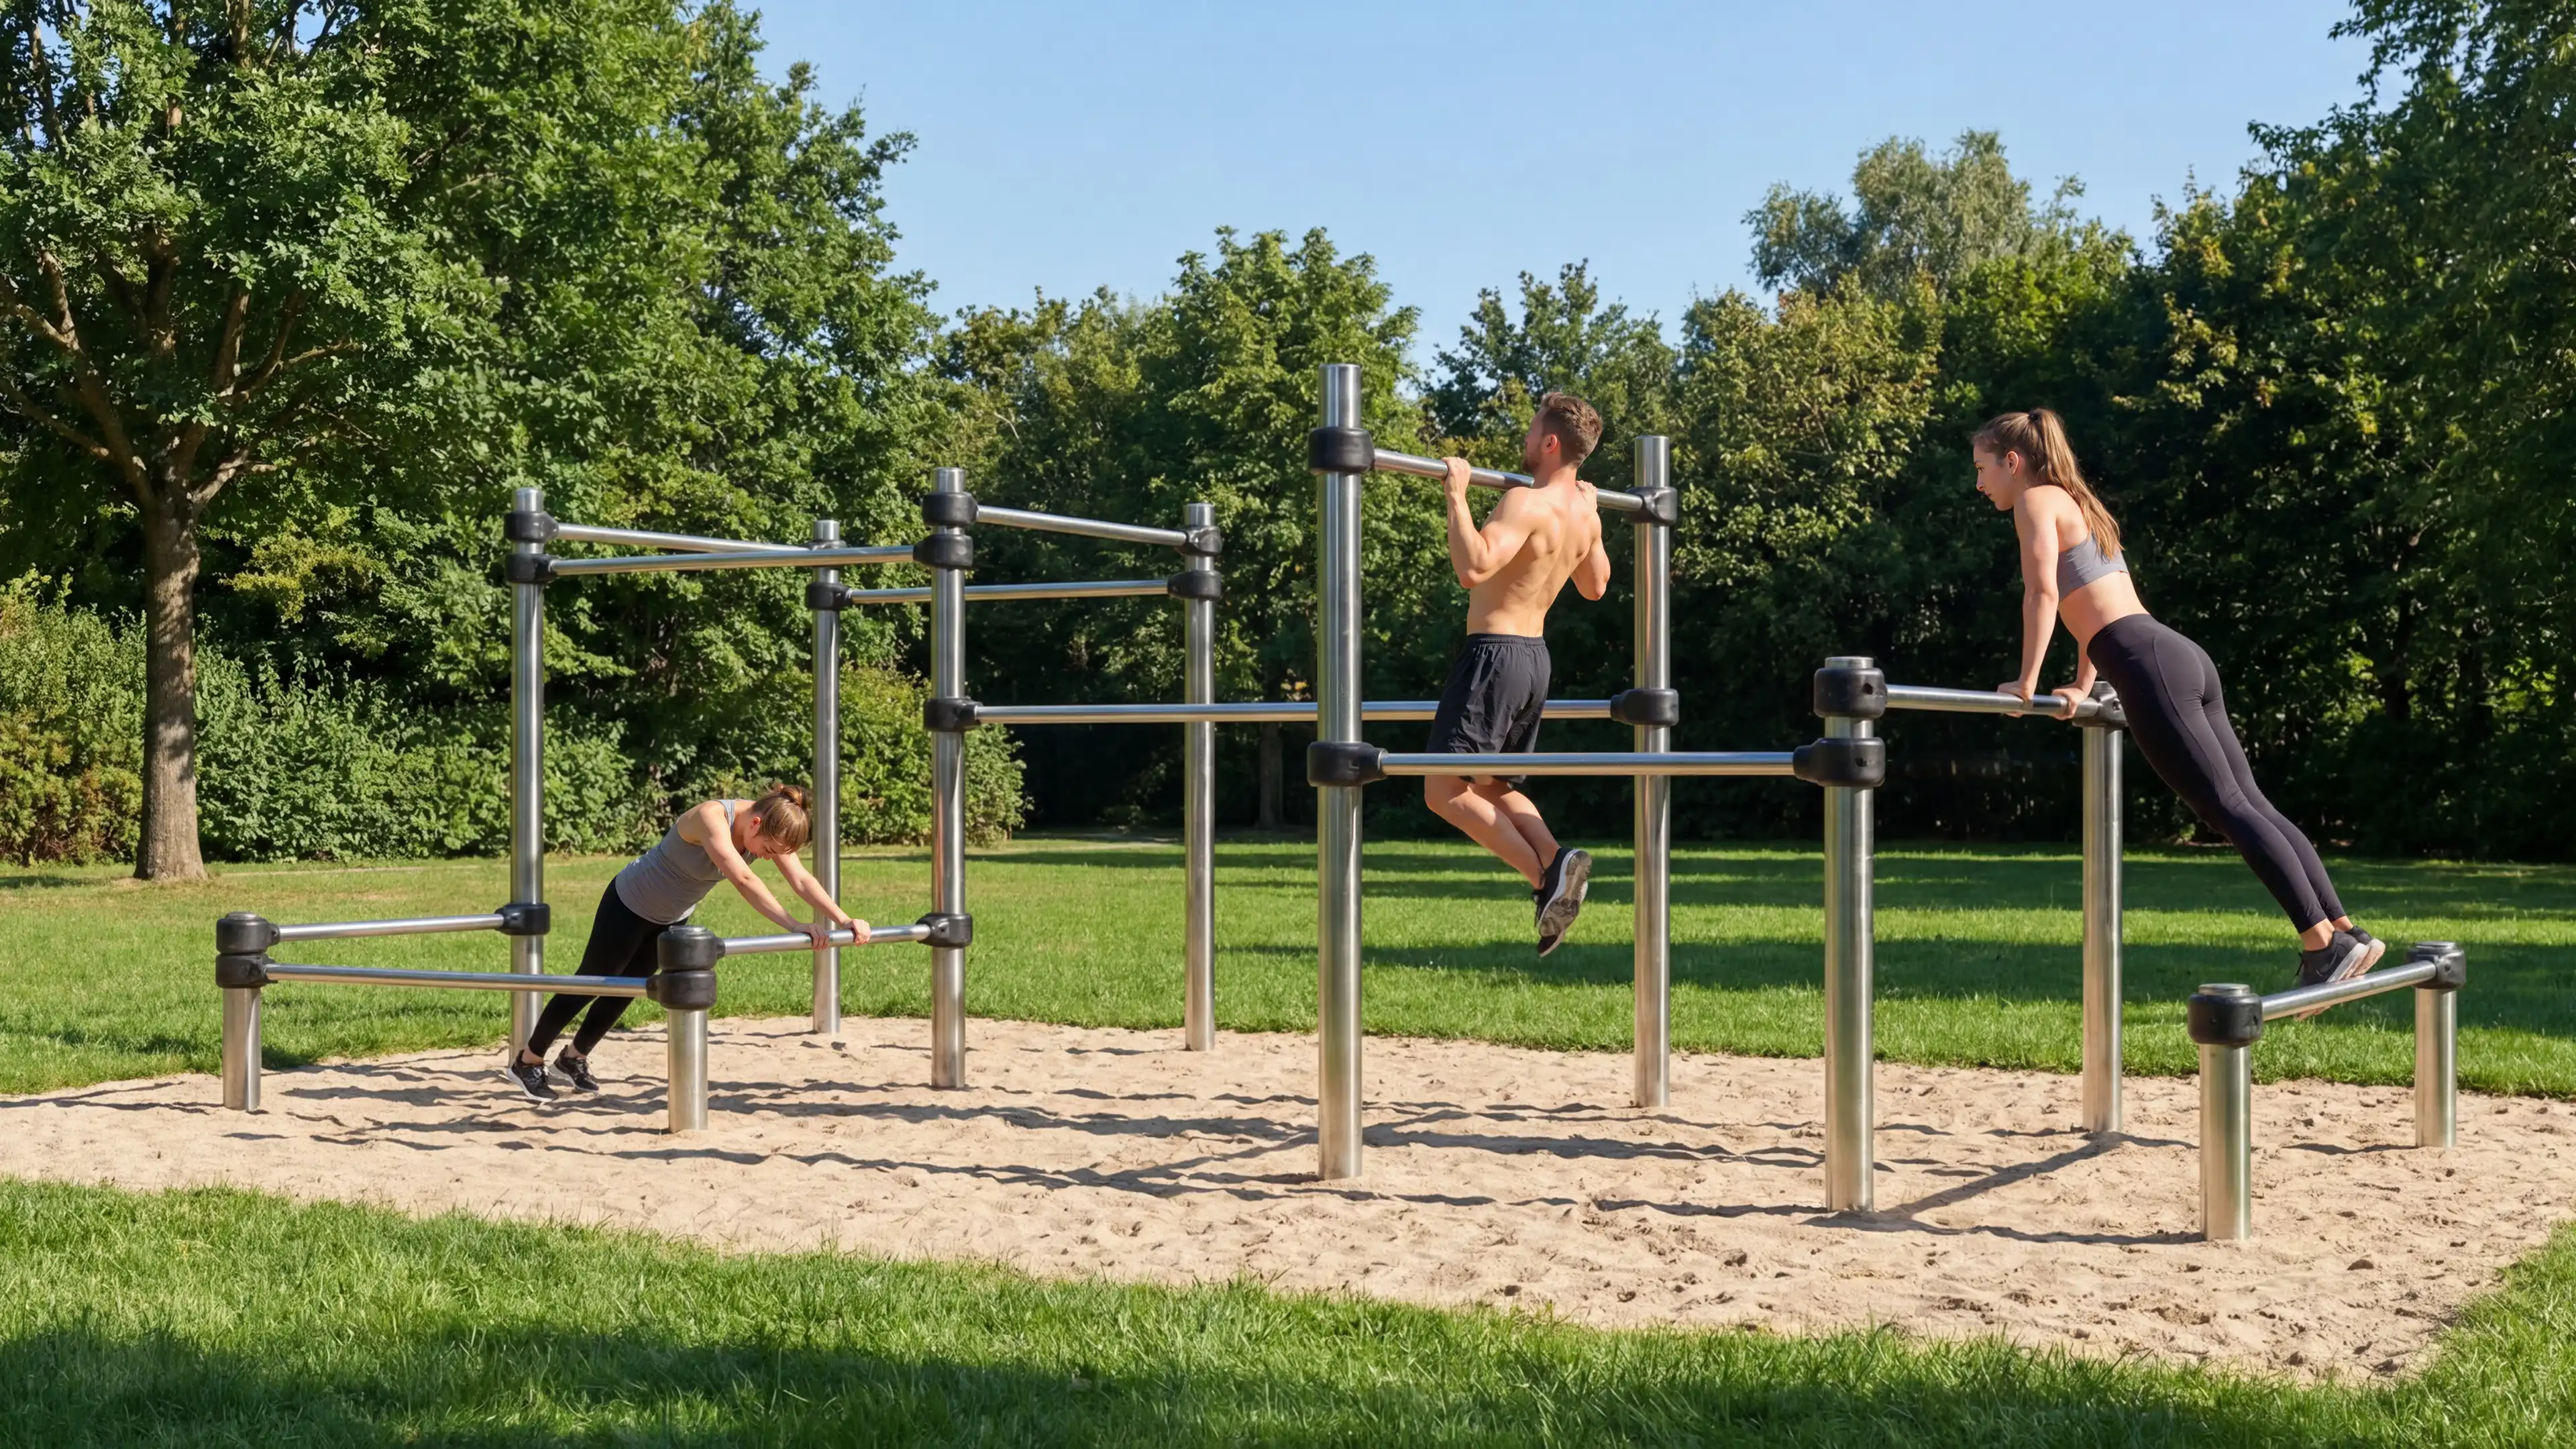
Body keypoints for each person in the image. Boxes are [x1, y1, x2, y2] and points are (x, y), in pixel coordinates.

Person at [1974, 409, 2383, 1009]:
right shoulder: (2081, 503)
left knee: (2228, 809)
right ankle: (2345, 932)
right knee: (2250, 802)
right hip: (2170, 652)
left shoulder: (2037, 501)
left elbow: (2045, 593)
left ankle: (2322, 943)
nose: (1980, 484)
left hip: (2144, 663)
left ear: (2014, 462)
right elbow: (2095, 608)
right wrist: (2083, 685)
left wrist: (2027, 683)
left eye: (1983, 469)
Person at [504, 783, 863, 1101]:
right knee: (592, 981)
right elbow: (742, 878)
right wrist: (793, 924)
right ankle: (528, 1061)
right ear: (755, 823)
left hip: (671, 917)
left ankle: (573, 1058)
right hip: (628, 903)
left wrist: (843, 918)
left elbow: (801, 879)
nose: (769, 857)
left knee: (629, 989)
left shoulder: (770, 826)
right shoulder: (712, 817)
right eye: (768, 850)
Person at [1423, 392, 1613, 955]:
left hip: (1494, 656)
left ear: (1551, 443)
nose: (1525, 441)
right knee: (1494, 785)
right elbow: (1596, 586)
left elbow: (1475, 566)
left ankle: (1543, 881)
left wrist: (1456, 497)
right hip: (1534, 660)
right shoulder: (1584, 511)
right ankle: (1558, 861)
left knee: (1441, 791)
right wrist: (1593, 513)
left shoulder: (1523, 504)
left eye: (1532, 432)